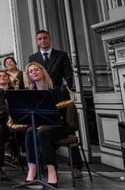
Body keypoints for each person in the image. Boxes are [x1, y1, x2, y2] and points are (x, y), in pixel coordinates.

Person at [28, 29, 82, 178]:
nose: (43, 41)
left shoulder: (61, 55)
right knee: (34, 131)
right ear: (37, 41)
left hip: (59, 96)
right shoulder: (33, 57)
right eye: (39, 39)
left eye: (45, 38)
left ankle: (76, 165)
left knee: (68, 129)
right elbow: (32, 76)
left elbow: (68, 75)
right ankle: (41, 166)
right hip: (41, 96)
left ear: (50, 39)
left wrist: (61, 90)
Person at [24, 61, 76, 187]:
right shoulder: (30, 94)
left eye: (36, 70)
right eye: (30, 71)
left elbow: (63, 115)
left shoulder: (57, 91)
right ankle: (32, 168)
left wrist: (47, 123)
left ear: (43, 72)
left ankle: (51, 171)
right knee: (30, 131)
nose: (33, 72)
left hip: (59, 126)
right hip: (40, 127)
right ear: (29, 76)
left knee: (42, 132)